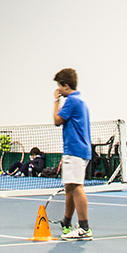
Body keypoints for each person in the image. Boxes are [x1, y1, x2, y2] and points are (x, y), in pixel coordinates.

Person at [51, 68, 92, 240]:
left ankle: (84, 228)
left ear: (66, 86)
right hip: (77, 150)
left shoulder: (72, 101)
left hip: (75, 150)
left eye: (60, 86)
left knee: (76, 187)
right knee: (69, 187)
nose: (59, 89)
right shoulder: (79, 100)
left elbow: (57, 120)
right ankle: (66, 223)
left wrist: (55, 100)